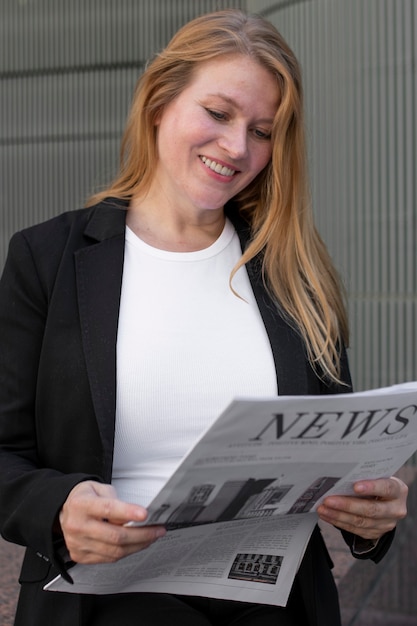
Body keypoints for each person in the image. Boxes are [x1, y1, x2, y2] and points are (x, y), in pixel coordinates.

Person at [0, 9, 408, 626]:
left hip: (273, 604)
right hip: (104, 606)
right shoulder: (45, 261)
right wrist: (56, 506)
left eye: (264, 131)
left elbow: (339, 451)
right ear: (159, 101)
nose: (237, 147)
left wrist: (372, 514)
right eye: (218, 114)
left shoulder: (293, 271)